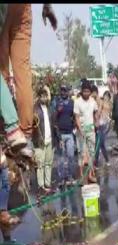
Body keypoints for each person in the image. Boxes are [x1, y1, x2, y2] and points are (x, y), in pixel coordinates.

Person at [0, 4, 57, 142]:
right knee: (23, 73)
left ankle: (8, 131)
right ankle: (25, 135)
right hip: (23, 9)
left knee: (2, 72)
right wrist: (47, 7)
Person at [74, 81, 98, 184]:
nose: (86, 93)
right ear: (82, 91)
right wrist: (80, 129)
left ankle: (90, 175)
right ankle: (82, 176)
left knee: (92, 153)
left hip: (91, 130)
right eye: (84, 91)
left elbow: (95, 112)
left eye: (88, 91)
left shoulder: (92, 101)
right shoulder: (77, 102)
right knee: (82, 154)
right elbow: (77, 117)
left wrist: (96, 122)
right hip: (81, 131)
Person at [33, 87, 55, 195]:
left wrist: (57, 139)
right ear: (39, 97)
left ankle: (47, 185)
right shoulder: (35, 109)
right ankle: (41, 187)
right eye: (42, 96)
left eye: (45, 96)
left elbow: (53, 124)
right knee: (40, 165)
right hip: (39, 142)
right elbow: (33, 124)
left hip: (49, 140)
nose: (44, 98)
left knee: (48, 163)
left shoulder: (49, 108)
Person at [54, 85, 76, 187]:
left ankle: (70, 177)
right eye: (61, 90)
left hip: (70, 133)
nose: (63, 92)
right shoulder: (56, 102)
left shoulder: (72, 103)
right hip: (61, 135)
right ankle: (62, 179)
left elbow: (74, 116)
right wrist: (57, 111)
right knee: (61, 158)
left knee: (71, 156)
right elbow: (53, 119)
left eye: (65, 90)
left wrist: (75, 127)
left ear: (68, 92)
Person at [94, 90, 112, 168]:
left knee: (100, 144)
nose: (106, 97)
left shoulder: (110, 104)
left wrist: (110, 122)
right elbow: (98, 112)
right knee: (100, 144)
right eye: (105, 95)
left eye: (107, 96)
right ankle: (100, 161)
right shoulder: (101, 102)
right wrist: (96, 120)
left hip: (105, 125)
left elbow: (109, 115)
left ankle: (98, 163)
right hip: (100, 125)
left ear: (109, 98)